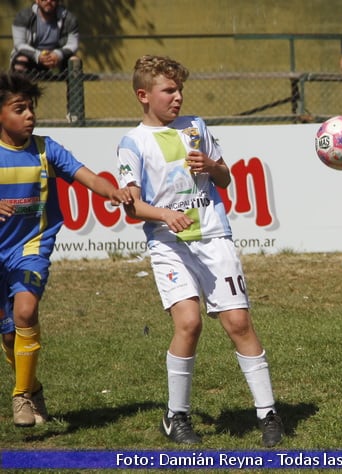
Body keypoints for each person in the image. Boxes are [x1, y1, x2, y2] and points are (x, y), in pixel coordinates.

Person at [116, 55, 283, 447]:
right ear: (143, 95)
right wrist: (164, 215)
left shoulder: (197, 127)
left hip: (213, 237)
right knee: (189, 323)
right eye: (168, 91)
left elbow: (225, 177)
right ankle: (177, 416)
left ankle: (269, 413)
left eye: (180, 90)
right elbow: (132, 204)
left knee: (238, 322)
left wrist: (210, 164)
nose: (177, 97)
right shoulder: (132, 143)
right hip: (168, 245)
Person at [0, 71, 132, 428]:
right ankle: (33, 386)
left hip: (30, 247)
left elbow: (87, 176)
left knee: (26, 311)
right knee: (9, 333)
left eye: (31, 108)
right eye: (19, 108)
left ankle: (21, 397)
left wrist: (112, 191)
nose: (29, 115)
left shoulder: (46, 149)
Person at [10, 0, 80, 78]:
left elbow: (73, 44)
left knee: (74, 61)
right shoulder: (22, 16)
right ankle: (20, 89)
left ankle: (74, 90)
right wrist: (38, 55)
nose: (49, 1)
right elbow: (19, 44)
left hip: (56, 60)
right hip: (32, 59)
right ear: (37, 0)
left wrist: (58, 54)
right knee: (21, 60)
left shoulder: (69, 19)